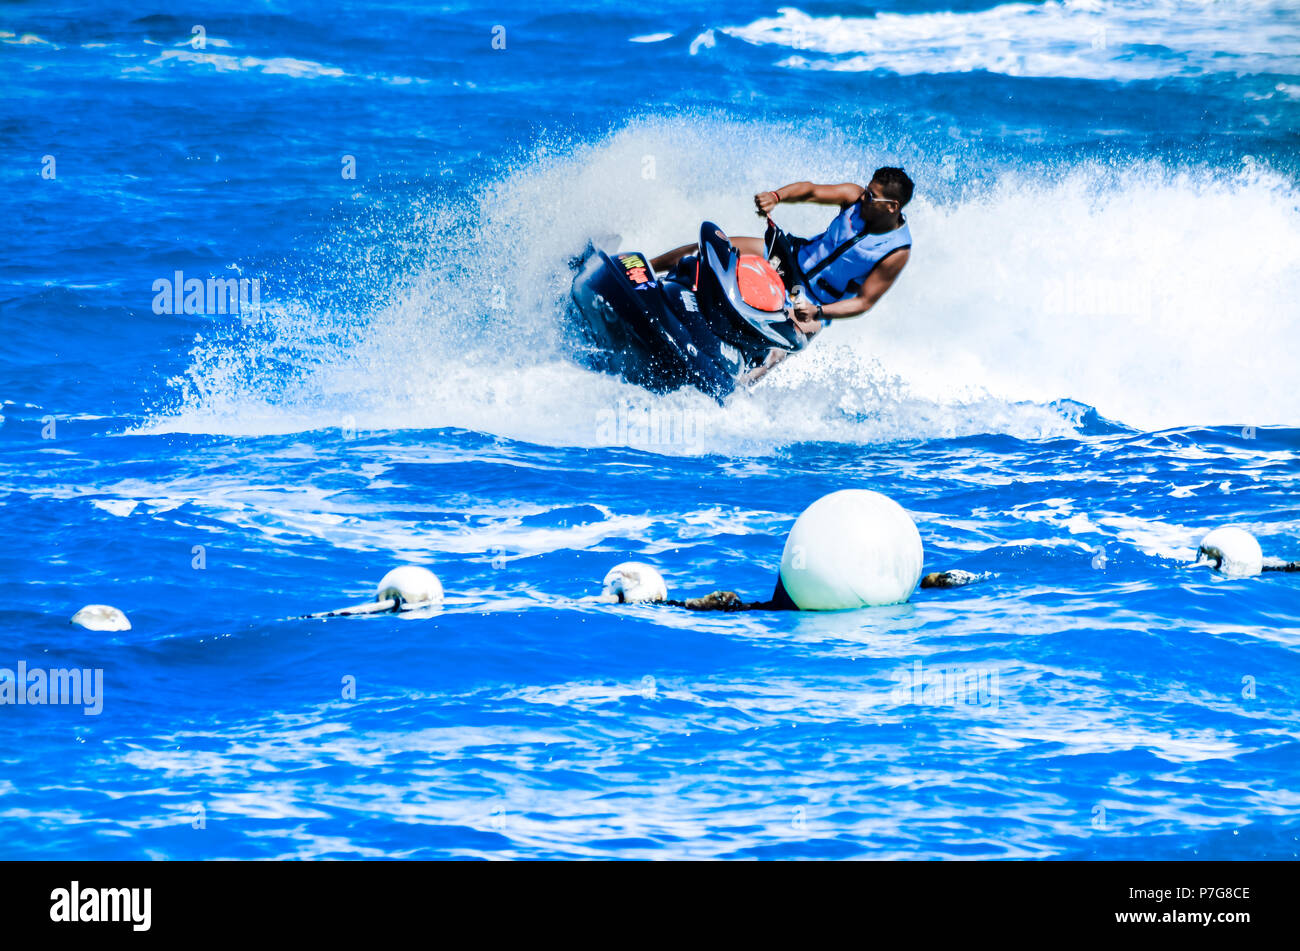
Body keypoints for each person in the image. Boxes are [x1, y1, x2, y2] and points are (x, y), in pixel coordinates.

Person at [649, 167, 914, 342]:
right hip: (788, 259)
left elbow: (864, 302)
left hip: (810, 300)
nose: (864, 197)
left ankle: (736, 389)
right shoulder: (853, 196)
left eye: (871, 196)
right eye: (867, 190)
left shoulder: (896, 251)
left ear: (891, 207)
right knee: (711, 248)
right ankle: (643, 270)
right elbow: (810, 190)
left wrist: (818, 312)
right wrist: (777, 196)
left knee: (780, 346)